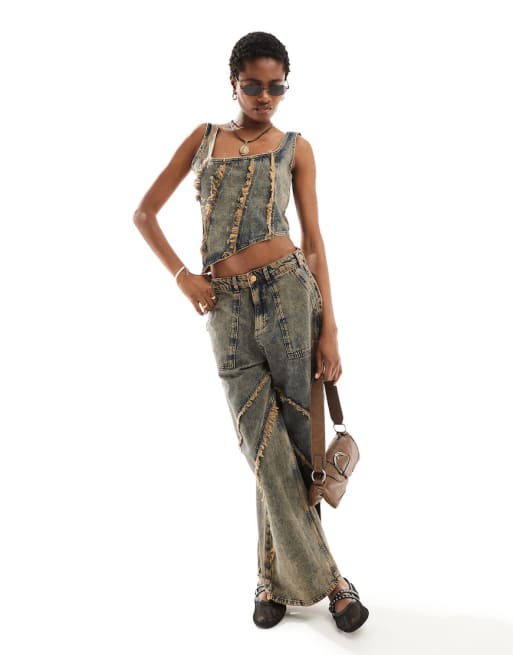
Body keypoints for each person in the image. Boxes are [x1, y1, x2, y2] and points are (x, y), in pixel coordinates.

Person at [133, 31, 369, 633]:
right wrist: (184, 277)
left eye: (276, 86)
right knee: (262, 451)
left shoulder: (296, 148)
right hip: (227, 309)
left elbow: (314, 242)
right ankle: (335, 584)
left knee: (295, 451)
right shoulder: (203, 139)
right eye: (253, 85)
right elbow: (144, 213)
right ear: (233, 83)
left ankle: (270, 582)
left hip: (291, 296)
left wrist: (331, 329)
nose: (265, 96)